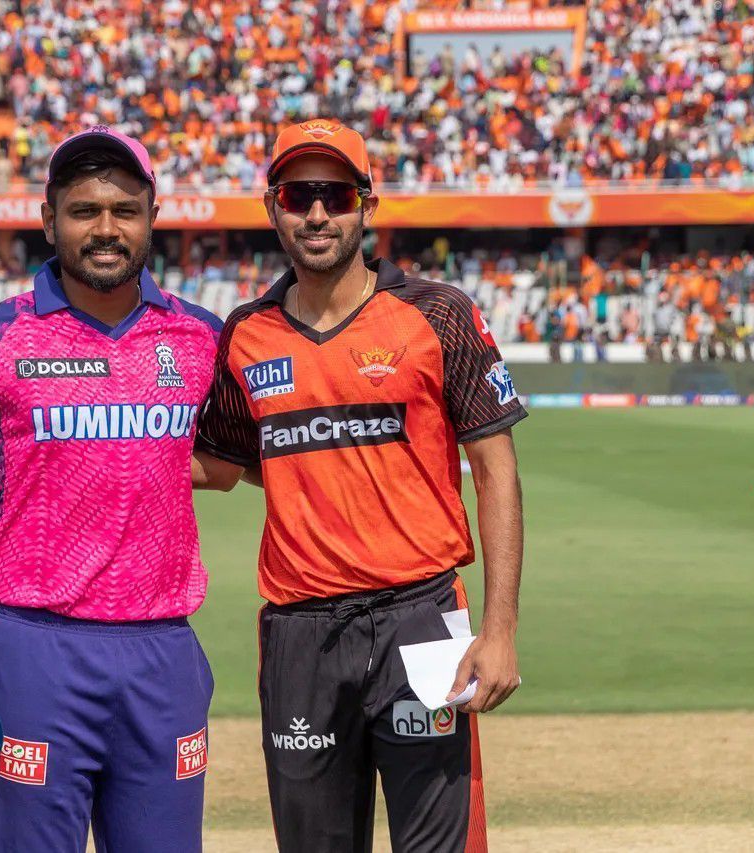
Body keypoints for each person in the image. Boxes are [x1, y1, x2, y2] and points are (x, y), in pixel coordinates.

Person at [193, 119, 527, 853]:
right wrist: (80, 441)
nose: (317, 213)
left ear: (367, 206)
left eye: (335, 194)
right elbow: (216, 464)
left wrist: (499, 632)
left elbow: (496, 470)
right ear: (273, 206)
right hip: (301, 635)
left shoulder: (439, 313)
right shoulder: (245, 333)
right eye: (298, 194)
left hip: (423, 616)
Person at [0, 126, 224, 853]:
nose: (106, 228)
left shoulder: (201, 337)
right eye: (84, 210)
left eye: (125, 210)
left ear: (152, 217)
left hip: (163, 652)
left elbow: (227, 464)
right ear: (49, 221)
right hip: (36, 652)